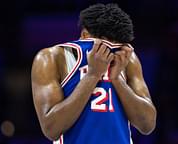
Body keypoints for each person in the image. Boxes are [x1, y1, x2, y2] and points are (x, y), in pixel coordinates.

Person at [31, 3, 156, 144]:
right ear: (85, 35)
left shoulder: (128, 59)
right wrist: (92, 75)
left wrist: (116, 79)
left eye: (115, 47)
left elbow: (147, 125)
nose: (109, 53)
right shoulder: (52, 57)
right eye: (104, 45)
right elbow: (51, 129)